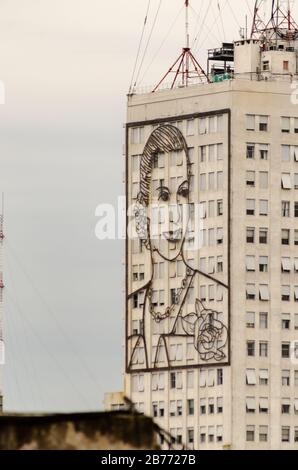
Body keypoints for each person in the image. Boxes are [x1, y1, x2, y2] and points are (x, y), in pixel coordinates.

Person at [127, 124, 228, 371]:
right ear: (144, 209)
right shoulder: (133, 304)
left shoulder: (218, 295)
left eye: (182, 193)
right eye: (163, 196)